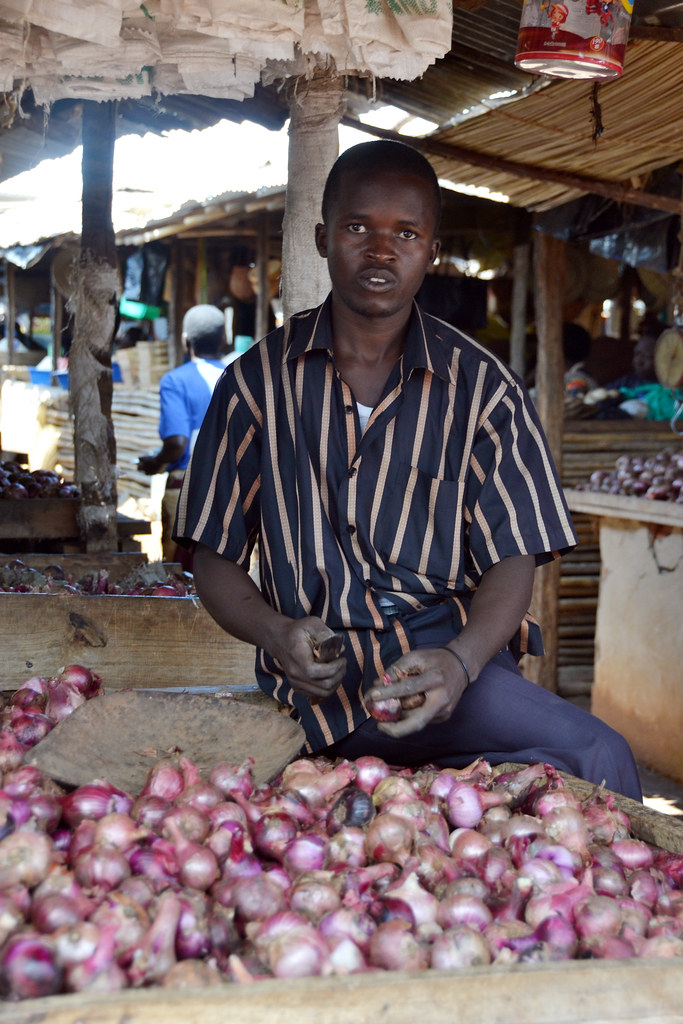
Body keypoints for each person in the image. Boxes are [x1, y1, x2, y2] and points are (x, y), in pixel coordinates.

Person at [175, 141, 642, 801]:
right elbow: (212, 554)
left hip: (450, 675)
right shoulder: (254, 385)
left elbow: (516, 555)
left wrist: (460, 662)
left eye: (406, 233)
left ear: (431, 250)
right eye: (358, 227)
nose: (381, 250)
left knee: (595, 753)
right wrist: (275, 632)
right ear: (321, 237)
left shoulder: (481, 388)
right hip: (317, 689)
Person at [138, 304, 228, 568]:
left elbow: (177, 443)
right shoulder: (240, 374)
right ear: (223, 339)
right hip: (234, 489)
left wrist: (156, 462)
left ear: (185, 340)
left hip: (188, 491)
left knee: (181, 576)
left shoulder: (176, 381)